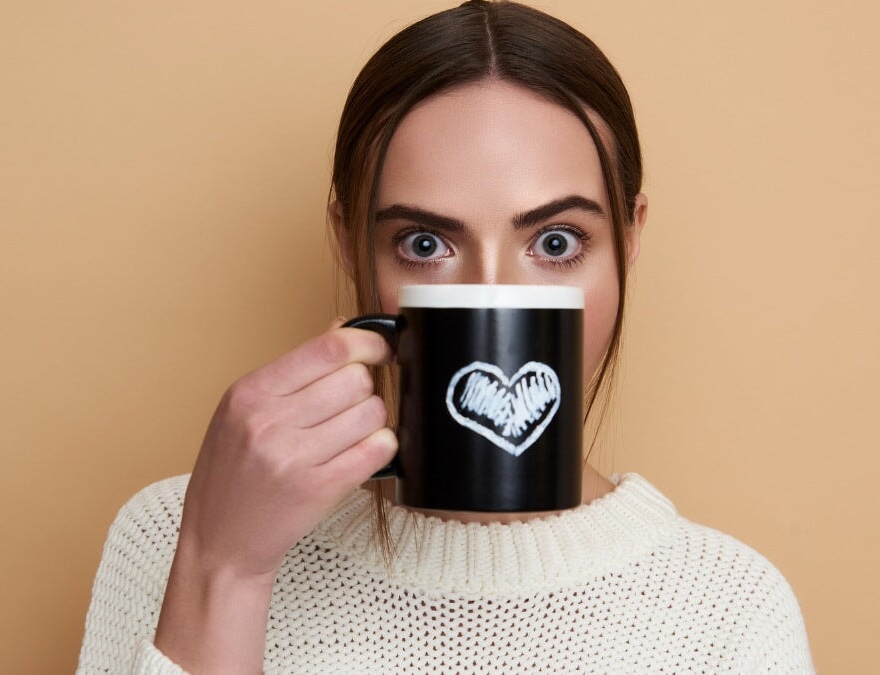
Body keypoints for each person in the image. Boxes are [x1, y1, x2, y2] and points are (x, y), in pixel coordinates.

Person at [77, 1, 814, 672]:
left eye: (556, 243)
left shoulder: (730, 610)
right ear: (349, 242)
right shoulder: (178, 534)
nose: (493, 297)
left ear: (630, 237)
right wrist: (223, 572)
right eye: (425, 244)